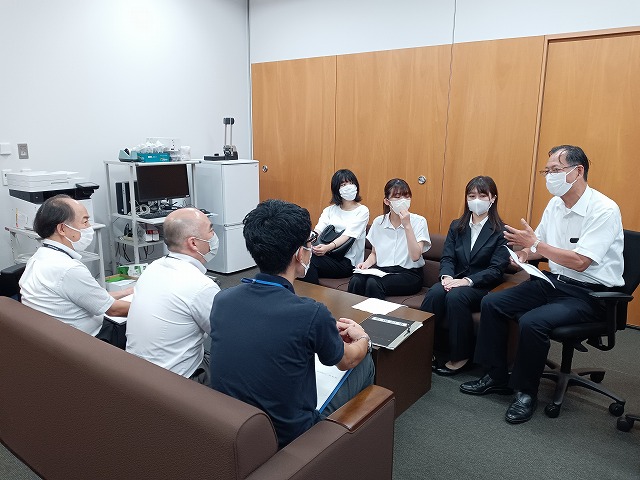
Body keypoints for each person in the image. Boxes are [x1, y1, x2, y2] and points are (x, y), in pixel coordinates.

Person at [460, 145, 624, 424]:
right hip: (553, 282)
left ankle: (526, 393)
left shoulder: (604, 209)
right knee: (493, 302)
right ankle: (496, 376)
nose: (549, 176)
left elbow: (581, 262)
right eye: (546, 171)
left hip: (590, 293)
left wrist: (535, 244)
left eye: (555, 170)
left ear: (578, 171)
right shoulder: (555, 205)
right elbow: (539, 247)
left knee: (533, 321)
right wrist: (524, 254)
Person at [209, 199, 374, 448]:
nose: (311, 247)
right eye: (310, 242)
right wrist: (363, 339)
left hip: (235, 426)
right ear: (299, 253)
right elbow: (347, 361)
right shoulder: (312, 313)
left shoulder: (223, 300)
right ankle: (349, 446)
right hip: (291, 436)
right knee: (365, 360)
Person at [421, 176, 510, 376]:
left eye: (482, 195)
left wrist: (466, 281)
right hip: (454, 280)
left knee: (456, 296)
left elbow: (496, 269)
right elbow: (447, 258)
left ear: (493, 199)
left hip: (482, 287)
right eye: (471, 196)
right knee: (435, 293)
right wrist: (446, 277)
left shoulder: (502, 232)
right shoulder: (457, 226)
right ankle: (423, 347)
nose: (476, 200)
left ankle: (460, 356)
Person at [126, 208, 220, 384]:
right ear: (193, 243)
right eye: (211, 230)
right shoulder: (201, 286)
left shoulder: (153, 267)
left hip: (136, 375)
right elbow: (224, 334)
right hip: (177, 382)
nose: (214, 237)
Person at [19, 194, 132, 337]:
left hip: (57, 337)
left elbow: (92, 297)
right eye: (85, 222)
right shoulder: (68, 269)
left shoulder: (39, 257)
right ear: (62, 229)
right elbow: (114, 310)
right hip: (93, 339)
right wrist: (152, 308)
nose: (89, 227)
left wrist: (125, 292)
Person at [348, 178, 431, 299]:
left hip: (409, 274)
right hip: (383, 271)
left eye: (406, 196)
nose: (403, 200)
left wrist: (407, 225)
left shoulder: (419, 221)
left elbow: (415, 256)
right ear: (387, 201)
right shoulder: (379, 222)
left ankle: (375, 312)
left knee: (373, 283)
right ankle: (351, 311)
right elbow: (374, 253)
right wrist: (366, 264)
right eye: (397, 197)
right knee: (356, 280)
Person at [301, 169, 369, 284]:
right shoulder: (329, 210)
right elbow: (318, 230)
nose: (349, 187)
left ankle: (311, 294)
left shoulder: (362, 211)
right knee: (300, 259)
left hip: (347, 261)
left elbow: (347, 235)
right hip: (327, 256)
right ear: (337, 189)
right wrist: (307, 242)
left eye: (351, 183)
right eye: (343, 185)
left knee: (310, 262)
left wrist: (327, 247)